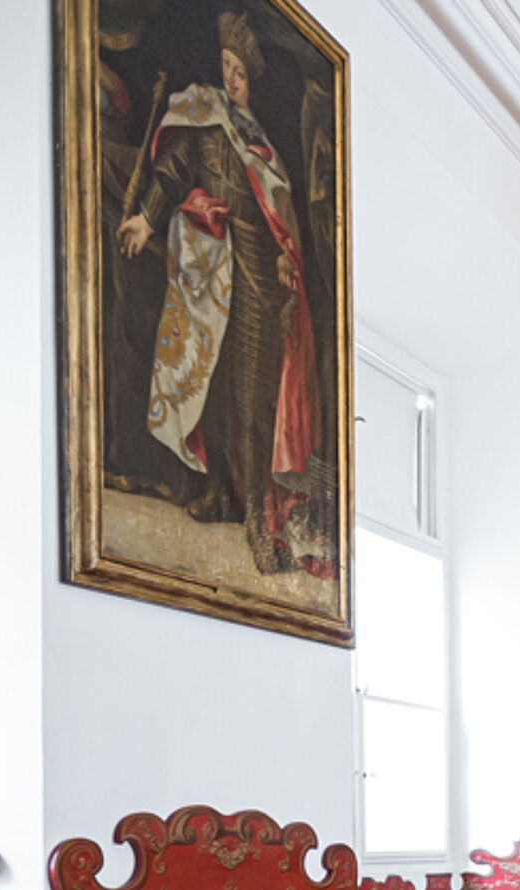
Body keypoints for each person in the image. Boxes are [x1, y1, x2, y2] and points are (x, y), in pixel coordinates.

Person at [116, 11, 329, 580]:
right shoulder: (206, 123)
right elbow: (172, 171)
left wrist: (287, 258)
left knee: (254, 397)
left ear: (250, 81)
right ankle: (217, 493)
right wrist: (144, 219)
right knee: (212, 388)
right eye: (227, 68)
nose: (231, 79)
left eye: (239, 73)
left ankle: (259, 517)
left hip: (257, 280)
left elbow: (282, 219)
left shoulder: (260, 146)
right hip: (211, 274)